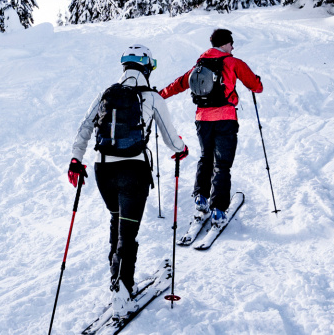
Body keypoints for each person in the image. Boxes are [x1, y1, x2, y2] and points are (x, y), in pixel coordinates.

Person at [66, 45, 189, 297]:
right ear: (147, 68)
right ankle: (122, 291)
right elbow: (170, 138)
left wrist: (76, 160)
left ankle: (116, 279)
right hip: (133, 171)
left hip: (103, 170)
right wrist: (181, 148)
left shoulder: (105, 94)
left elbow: (84, 127)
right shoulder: (152, 98)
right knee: (128, 232)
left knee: (117, 220)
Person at [158, 29, 263, 225]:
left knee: (206, 157)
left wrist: (159, 95)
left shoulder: (200, 65)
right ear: (225, 44)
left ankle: (201, 197)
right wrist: (256, 81)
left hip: (202, 119)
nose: (233, 47)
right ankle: (218, 210)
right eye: (231, 44)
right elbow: (256, 86)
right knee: (222, 164)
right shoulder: (233, 62)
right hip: (226, 118)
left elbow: (179, 84)